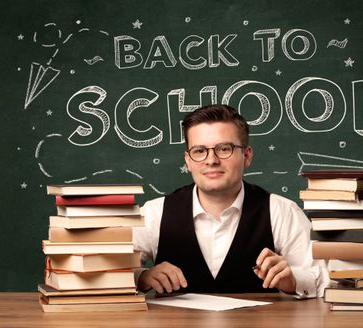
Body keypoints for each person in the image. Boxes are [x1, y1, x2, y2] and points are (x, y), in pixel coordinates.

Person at [133, 104, 329, 297]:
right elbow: (107, 273)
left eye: (224, 148)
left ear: (247, 156)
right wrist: (143, 277)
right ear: (188, 161)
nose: (211, 160)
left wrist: (292, 280)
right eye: (200, 151)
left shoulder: (282, 212)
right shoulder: (154, 213)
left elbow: (324, 281)